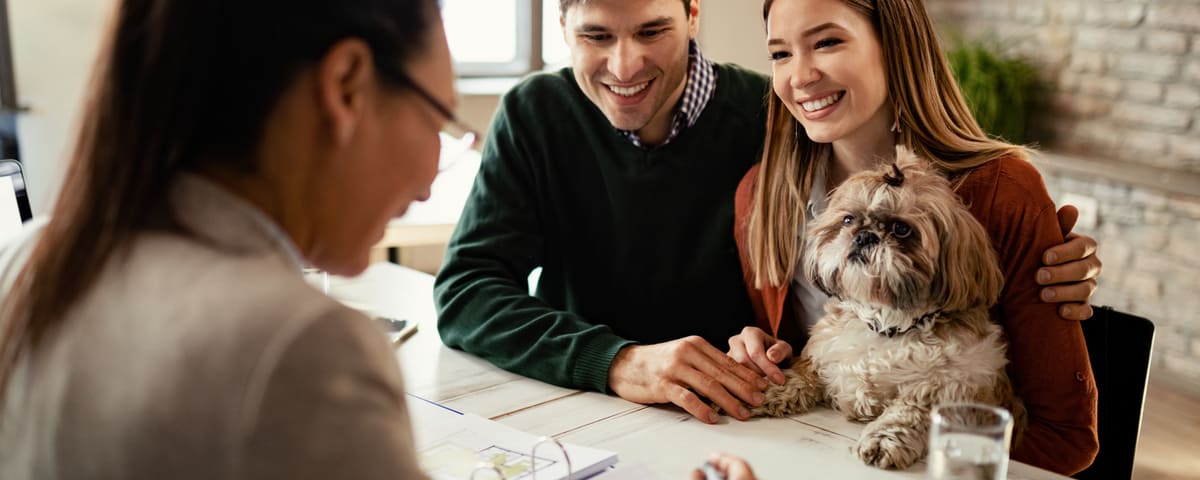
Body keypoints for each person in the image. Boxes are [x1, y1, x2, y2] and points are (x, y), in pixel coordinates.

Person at [435, 0, 1101, 428]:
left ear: (694, 14)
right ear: (561, 26)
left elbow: (1056, 418)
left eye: (651, 30)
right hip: (641, 418)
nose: (624, 63)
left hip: (819, 433)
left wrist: (1046, 253)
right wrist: (635, 358)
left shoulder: (769, 123)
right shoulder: (774, 165)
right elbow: (467, 288)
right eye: (782, 53)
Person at [0, 0, 450, 478]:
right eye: (439, 120)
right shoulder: (300, 348)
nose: (428, 183)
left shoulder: (24, 259)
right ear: (345, 86)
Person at [727, 0, 1099, 474]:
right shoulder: (763, 195)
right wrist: (758, 351)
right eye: (780, 54)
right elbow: (789, 365)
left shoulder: (1005, 191)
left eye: (827, 42)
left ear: (896, 46)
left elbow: (1065, 437)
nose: (799, 76)